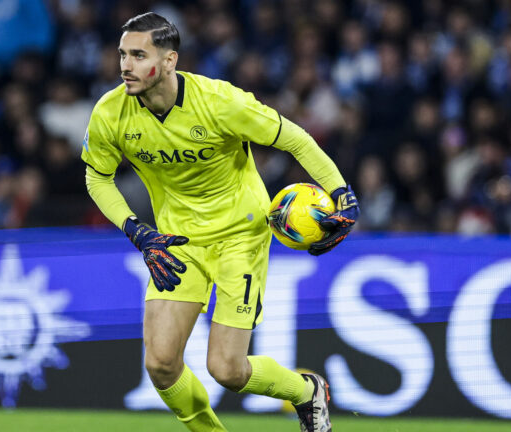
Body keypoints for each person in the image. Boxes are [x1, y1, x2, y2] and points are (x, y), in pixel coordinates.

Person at [82, 12, 359, 432]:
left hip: (240, 236)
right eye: (122, 54)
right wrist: (136, 230)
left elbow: (295, 139)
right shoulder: (110, 112)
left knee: (227, 369)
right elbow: (97, 177)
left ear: (170, 60)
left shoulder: (219, 102)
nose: (125, 66)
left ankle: (307, 391)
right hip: (177, 242)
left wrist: (341, 193)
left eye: (139, 55)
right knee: (160, 364)